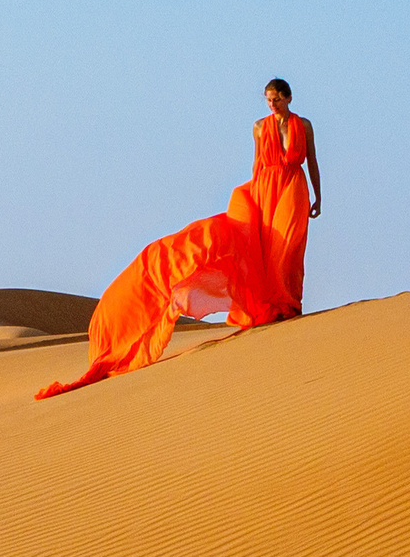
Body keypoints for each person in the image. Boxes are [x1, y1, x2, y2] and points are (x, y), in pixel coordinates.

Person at [36, 79, 321, 399]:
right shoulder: (258, 128)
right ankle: (271, 305)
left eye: (276, 100)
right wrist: (251, 203)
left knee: (289, 247)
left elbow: (311, 161)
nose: (271, 105)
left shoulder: (304, 125)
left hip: (293, 190)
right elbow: (257, 166)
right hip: (264, 190)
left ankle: (288, 304)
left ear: (288, 98)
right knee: (261, 248)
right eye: (268, 100)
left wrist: (318, 197)